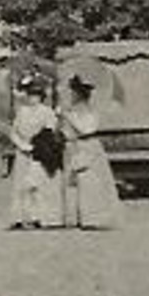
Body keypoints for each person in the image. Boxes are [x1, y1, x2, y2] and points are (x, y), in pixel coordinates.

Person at [61, 74, 122, 230]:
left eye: (74, 93)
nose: (72, 96)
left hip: (88, 147)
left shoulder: (90, 112)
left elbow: (86, 129)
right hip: (73, 147)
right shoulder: (71, 111)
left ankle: (93, 217)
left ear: (81, 95)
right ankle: (76, 217)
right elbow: (66, 131)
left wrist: (68, 116)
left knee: (90, 181)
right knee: (73, 182)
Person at [7, 75, 62, 229]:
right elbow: (13, 132)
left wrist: (36, 146)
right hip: (22, 152)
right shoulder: (22, 111)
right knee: (20, 184)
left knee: (38, 184)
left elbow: (49, 132)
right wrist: (21, 145)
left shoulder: (47, 112)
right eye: (31, 95)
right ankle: (19, 217)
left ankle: (38, 216)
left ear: (42, 97)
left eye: (36, 95)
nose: (33, 99)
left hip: (39, 153)